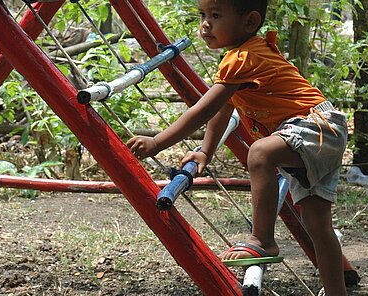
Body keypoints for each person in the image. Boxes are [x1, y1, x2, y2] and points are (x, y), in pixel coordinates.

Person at [126, 0, 347, 295]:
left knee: (260, 152)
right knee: (319, 227)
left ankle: (263, 240)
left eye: (216, 16)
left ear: (249, 22)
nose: (206, 24)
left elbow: (203, 110)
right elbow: (221, 110)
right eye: (202, 15)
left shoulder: (242, 58)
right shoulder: (243, 56)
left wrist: (157, 142)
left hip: (313, 126)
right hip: (323, 129)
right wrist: (206, 150)